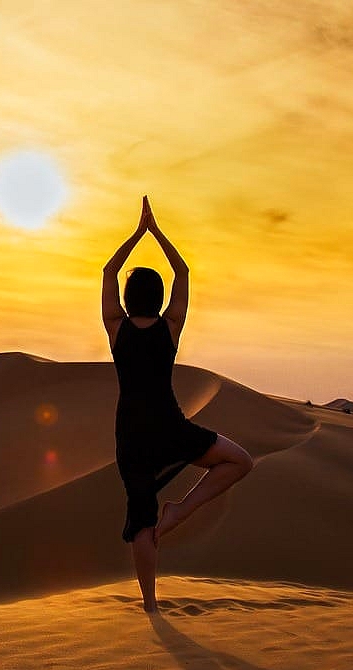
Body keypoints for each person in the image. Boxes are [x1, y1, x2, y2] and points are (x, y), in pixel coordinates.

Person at [102, 195, 254, 613]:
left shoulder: (116, 329)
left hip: (131, 434)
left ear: (129, 297)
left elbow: (108, 270)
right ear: (160, 296)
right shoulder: (170, 328)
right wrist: (157, 232)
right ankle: (179, 513)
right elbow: (183, 271)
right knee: (240, 461)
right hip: (169, 427)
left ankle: (150, 604)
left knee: (140, 522)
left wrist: (136, 234)